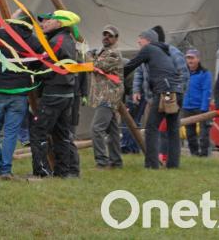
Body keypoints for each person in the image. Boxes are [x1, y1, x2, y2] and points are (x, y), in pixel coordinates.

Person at [0, 10, 41, 180]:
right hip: (19, 91)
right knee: (11, 131)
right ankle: (5, 169)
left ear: (17, 19)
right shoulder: (33, 40)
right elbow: (39, 62)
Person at [27, 10, 82, 179]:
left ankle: (42, 171)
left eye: (48, 20)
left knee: (38, 131)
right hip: (66, 93)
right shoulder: (68, 39)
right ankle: (63, 171)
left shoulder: (56, 41)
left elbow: (48, 67)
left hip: (54, 94)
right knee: (61, 133)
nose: (43, 23)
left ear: (60, 23)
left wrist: (32, 72)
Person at [124, 29, 182, 170]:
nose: (138, 41)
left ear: (148, 40)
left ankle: (151, 164)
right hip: (177, 91)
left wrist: (114, 75)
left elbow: (131, 65)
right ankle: (173, 165)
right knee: (173, 128)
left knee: (151, 127)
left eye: (141, 38)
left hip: (165, 92)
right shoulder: (163, 51)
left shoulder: (149, 49)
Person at [88, 25, 124, 169]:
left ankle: (102, 162)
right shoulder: (104, 51)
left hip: (108, 95)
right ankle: (116, 161)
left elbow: (97, 66)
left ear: (116, 38)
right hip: (106, 94)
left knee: (96, 129)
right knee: (113, 130)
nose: (106, 38)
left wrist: (88, 55)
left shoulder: (113, 53)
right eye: (105, 35)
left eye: (110, 36)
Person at [181, 49, 213, 157]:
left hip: (200, 107)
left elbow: (206, 90)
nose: (190, 60)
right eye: (188, 58)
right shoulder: (183, 73)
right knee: (190, 134)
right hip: (187, 107)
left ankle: (204, 155)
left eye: (192, 58)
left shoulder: (205, 73)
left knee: (204, 133)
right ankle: (194, 154)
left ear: (198, 59)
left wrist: (204, 108)